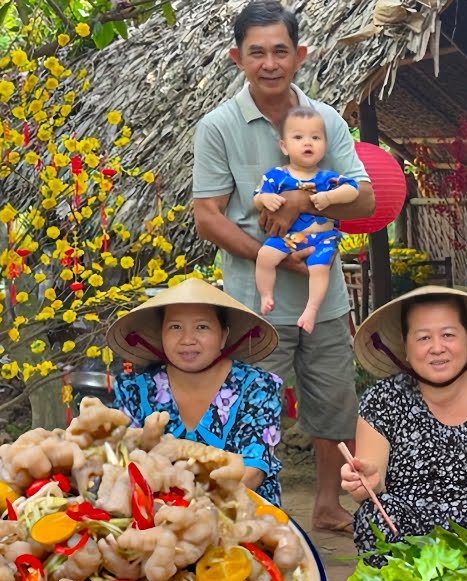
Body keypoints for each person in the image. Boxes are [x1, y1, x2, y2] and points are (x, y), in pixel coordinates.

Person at [192, 0, 374, 533]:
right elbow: (207, 216)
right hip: (255, 302)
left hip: (324, 299)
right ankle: (252, 514)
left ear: (300, 55)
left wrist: (301, 201)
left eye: (280, 51)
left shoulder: (326, 120)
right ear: (237, 58)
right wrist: (271, 255)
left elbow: (364, 199)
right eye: (257, 53)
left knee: (334, 403)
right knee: (252, 407)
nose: (269, 63)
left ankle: (328, 504)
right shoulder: (219, 126)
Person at [340, 286, 467, 566]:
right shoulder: (382, 399)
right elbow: (370, 488)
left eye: (448, 335)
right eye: (423, 338)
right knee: (373, 515)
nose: (437, 348)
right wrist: (365, 482)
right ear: (405, 346)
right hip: (407, 532)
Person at [108, 278, 286, 504]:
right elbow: (119, 462)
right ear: (161, 335)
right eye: (175, 327)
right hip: (150, 512)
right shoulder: (134, 389)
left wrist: (191, 509)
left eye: (202, 327)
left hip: (240, 510)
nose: (187, 340)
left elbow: (252, 472)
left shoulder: (258, 387)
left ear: (223, 336)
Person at [254, 106, 361, 333]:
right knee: (264, 256)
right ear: (284, 146)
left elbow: (353, 189)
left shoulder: (327, 179)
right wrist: (265, 198)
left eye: (315, 138)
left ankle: (311, 310)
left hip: (323, 239)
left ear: (325, 146)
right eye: (298, 137)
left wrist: (330, 197)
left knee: (319, 269)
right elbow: (257, 198)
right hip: (290, 237)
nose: (307, 143)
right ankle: (266, 295)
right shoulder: (276, 176)